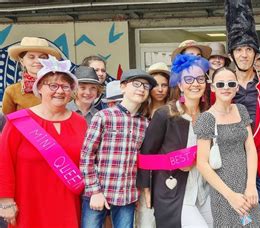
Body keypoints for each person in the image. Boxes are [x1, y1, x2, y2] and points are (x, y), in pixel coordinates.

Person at [0, 55, 86, 227]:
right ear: (39, 87)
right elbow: (4, 161)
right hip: (28, 204)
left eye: (66, 86)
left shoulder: (80, 122)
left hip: (68, 204)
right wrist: (5, 201)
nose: (60, 91)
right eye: (53, 85)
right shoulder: (19, 122)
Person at [137, 54, 212, 228]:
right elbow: (147, 154)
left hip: (203, 189)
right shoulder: (165, 114)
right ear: (179, 84)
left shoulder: (208, 115)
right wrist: (146, 188)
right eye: (189, 79)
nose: (195, 83)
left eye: (200, 78)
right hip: (173, 191)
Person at [80, 69, 156, 228]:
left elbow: (144, 160)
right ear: (123, 87)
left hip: (126, 196)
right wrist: (94, 191)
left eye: (146, 86)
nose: (141, 89)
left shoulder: (145, 124)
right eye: (136, 84)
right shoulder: (103, 116)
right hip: (98, 193)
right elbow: (87, 156)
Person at [225, 0, 260, 226]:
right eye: (239, 49)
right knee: (238, 219)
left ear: (256, 54)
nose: (244, 54)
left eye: (249, 49)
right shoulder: (222, 85)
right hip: (233, 161)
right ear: (232, 55)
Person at [195, 67, 260, 227]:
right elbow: (202, 164)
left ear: (236, 87)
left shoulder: (241, 110)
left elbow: (250, 148)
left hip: (247, 187)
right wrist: (231, 196)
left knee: (256, 224)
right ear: (212, 88)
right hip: (223, 191)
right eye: (220, 84)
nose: (226, 87)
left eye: (230, 83)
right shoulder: (206, 118)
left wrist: (251, 185)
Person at [2, 37, 62, 115]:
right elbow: (6, 122)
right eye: (31, 57)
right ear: (22, 61)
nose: (37, 61)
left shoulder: (61, 88)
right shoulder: (12, 91)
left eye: (42, 57)